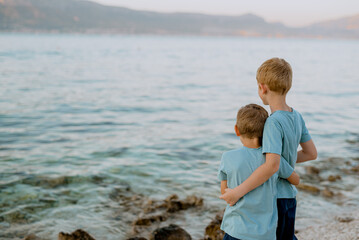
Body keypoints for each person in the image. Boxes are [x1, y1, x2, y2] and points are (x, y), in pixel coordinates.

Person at [220, 58, 317, 240]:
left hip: (274, 199)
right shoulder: (296, 116)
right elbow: (311, 153)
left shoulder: (272, 122)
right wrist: (286, 165)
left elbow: (271, 165)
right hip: (290, 197)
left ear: (262, 88)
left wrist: (236, 192)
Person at [218, 104, 300, 240]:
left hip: (236, 229)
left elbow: (224, 192)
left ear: (237, 130)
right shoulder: (273, 159)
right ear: (265, 132)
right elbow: (295, 180)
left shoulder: (227, 157)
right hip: (265, 233)